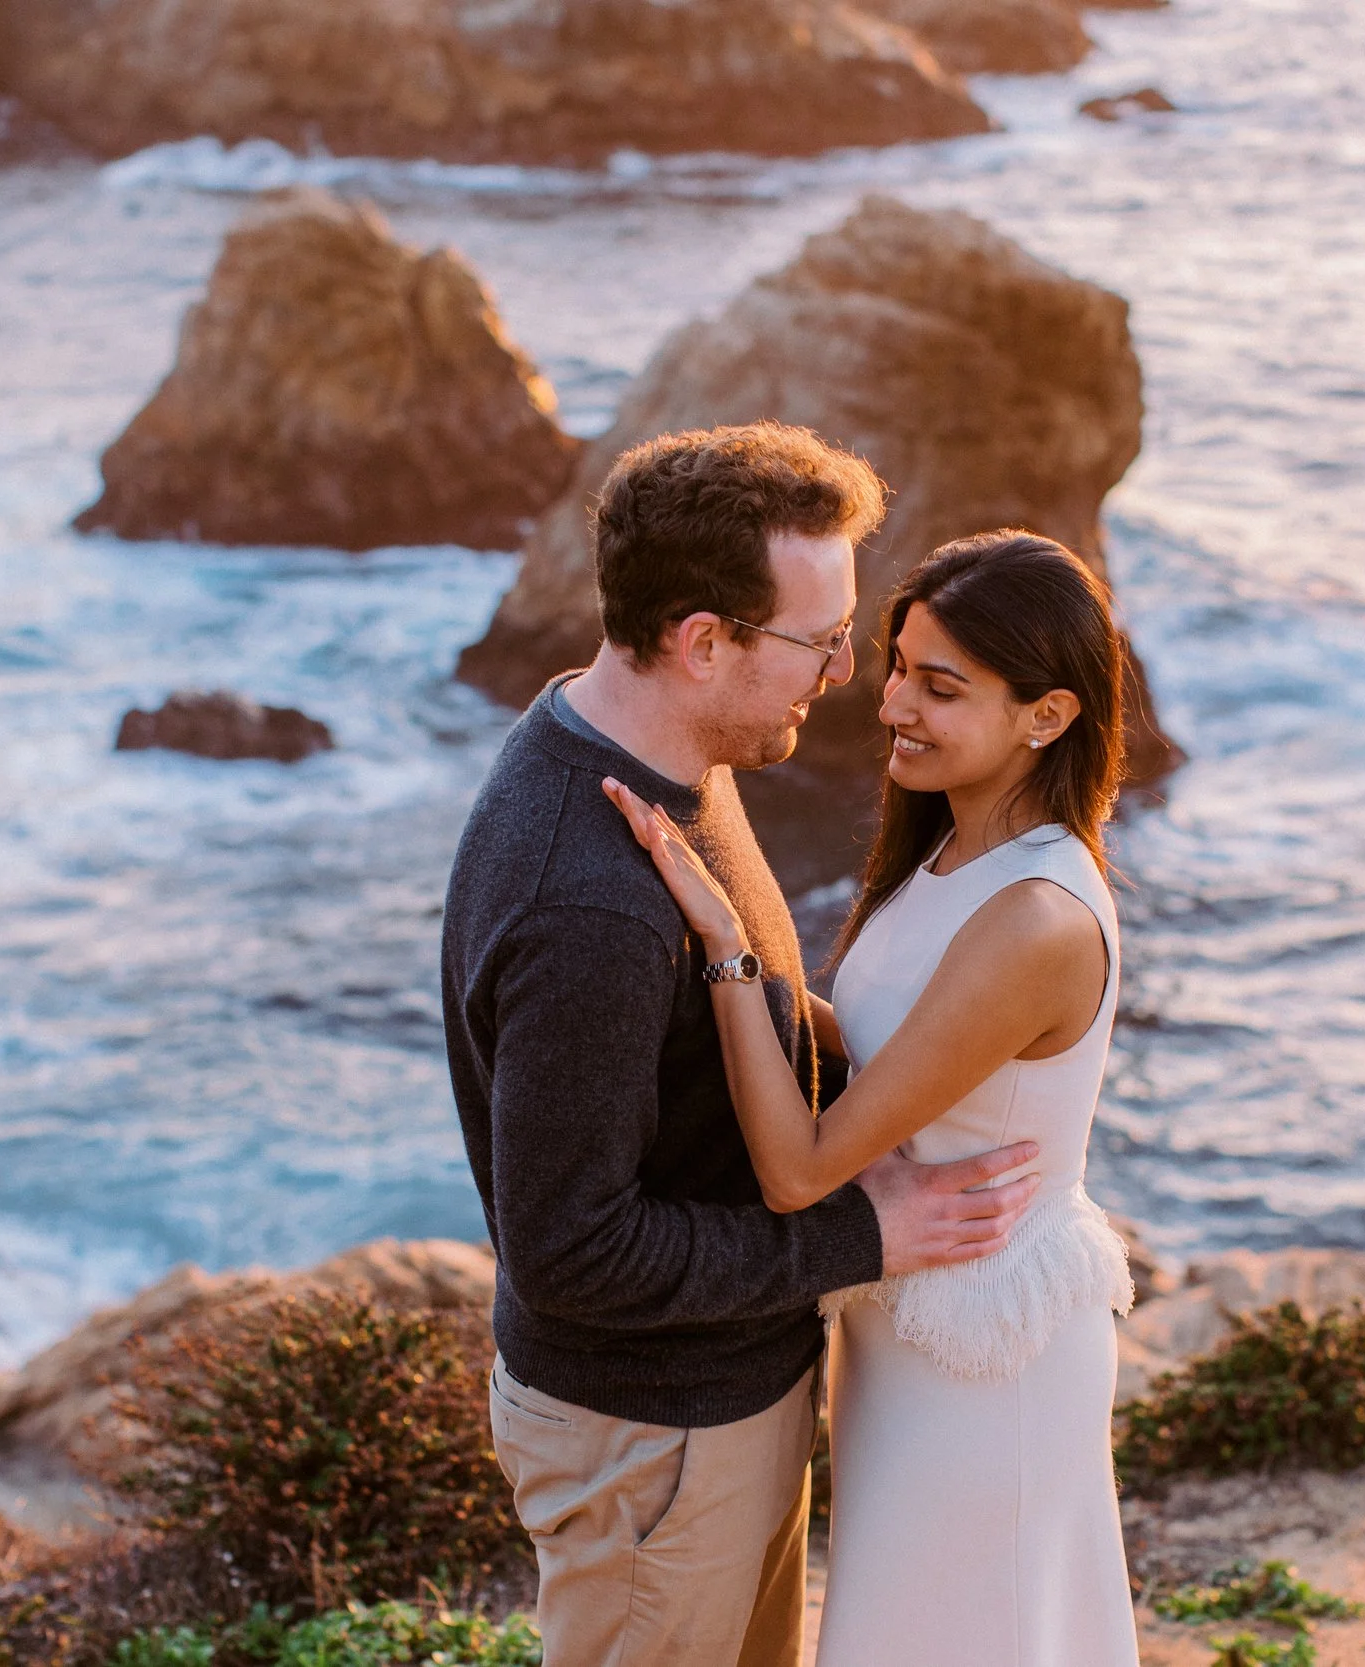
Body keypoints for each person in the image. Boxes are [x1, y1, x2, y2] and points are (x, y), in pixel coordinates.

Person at [441, 423, 1046, 1667]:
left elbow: (741, 1021)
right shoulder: (589, 899)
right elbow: (569, 1250)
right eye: (818, 640)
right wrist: (862, 1233)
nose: (840, 672)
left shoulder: (661, 752)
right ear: (701, 640)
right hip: (652, 1439)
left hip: (711, 1409)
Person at [604, 530, 1142, 1667]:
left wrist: (728, 952)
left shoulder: (1033, 918)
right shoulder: (954, 852)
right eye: (897, 663)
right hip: (913, 1313)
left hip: (984, 1345)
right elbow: (896, 1051)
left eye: (939, 686)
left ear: (1046, 715)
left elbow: (800, 1167)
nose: (890, 700)